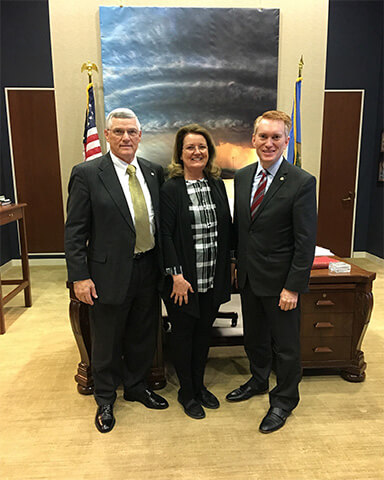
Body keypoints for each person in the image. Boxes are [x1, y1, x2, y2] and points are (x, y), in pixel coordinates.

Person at [65, 108, 168, 433]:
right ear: (107, 135)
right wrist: (79, 276)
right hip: (107, 274)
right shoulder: (87, 173)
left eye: (132, 132)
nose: (126, 138)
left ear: (140, 136)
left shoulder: (153, 172)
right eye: (119, 132)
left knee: (142, 333)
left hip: (148, 268)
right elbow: (75, 231)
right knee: (106, 339)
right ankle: (106, 399)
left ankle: (137, 386)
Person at [226, 110, 317, 433]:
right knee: (255, 338)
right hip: (250, 279)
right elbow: (242, 229)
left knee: (287, 346)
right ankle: (259, 379)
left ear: (286, 141)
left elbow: (305, 242)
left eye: (276, 137)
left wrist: (293, 287)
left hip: (281, 285)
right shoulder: (243, 176)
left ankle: (284, 401)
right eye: (263, 137)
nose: (269, 143)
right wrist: (237, 264)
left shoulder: (301, 182)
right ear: (253, 140)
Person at [160, 124, 232, 419]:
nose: (196, 152)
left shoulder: (216, 184)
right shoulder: (171, 188)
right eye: (190, 147)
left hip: (212, 278)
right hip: (183, 282)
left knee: (204, 336)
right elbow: (164, 235)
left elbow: (226, 229)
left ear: (209, 152)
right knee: (183, 336)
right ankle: (187, 392)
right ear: (180, 153)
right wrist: (176, 275)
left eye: (202, 147)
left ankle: (200, 385)